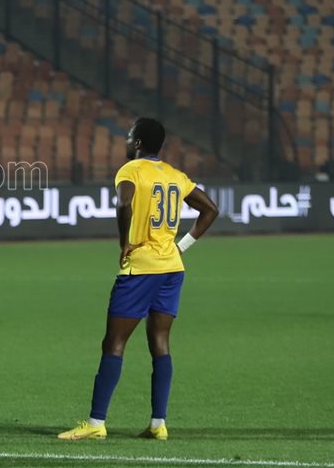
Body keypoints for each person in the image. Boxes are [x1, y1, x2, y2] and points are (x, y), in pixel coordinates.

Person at [60, 117, 219, 442]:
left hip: (141, 269)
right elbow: (211, 210)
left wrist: (124, 242)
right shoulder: (175, 175)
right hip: (171, 268)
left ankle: (95, 423)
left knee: (114, 343)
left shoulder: (130, 170)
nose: (125, 141)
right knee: (160, 342)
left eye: (129, 136)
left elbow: (124, 203)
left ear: (138, 143)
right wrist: (182, 247)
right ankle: (158, 423)